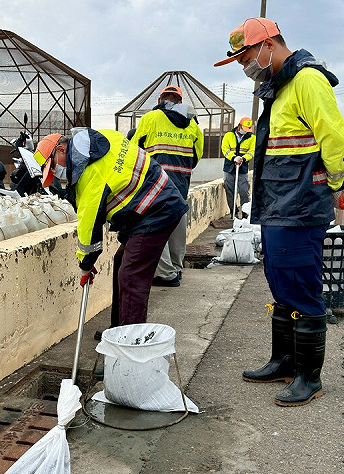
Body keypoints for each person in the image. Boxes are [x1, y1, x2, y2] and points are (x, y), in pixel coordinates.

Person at [214, 17, 344, 407]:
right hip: (279, 202)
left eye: (245, 55)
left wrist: (340, 185)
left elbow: (333, 136)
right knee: (281, 283)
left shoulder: (307, 80)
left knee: (301, 286)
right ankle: (283, 360)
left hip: (300, 203)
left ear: (268, 44)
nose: (244, 65)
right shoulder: (278, 89)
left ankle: (308, 376)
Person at [35, 128, 188, 329]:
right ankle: (118, 330)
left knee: (131, 276)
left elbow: (89, 226)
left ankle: (129, 342)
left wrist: (85, 266)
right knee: (121, 262)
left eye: (53, 166)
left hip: (156, 211)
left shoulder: (89, 174)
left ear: (62, 150)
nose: (56, 172)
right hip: (151, 204)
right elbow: (122, 179)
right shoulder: (103, 137)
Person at [131, 85, 204, 287]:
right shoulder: (193, 126)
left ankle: (166, 274)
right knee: (177, 224)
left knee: (155, 225)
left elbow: (136, 150)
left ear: (159, 101)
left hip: (155, 182)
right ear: (180, 102)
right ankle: (177, 268)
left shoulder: (149, 119)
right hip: (181, 181)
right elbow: (197, 156)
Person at [221, 117, 255, 218]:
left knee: (244, 190)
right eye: (244, 128)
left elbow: (252, 151)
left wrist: (243, 159)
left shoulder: (252, 137)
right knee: (229, 191)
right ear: (239, 126)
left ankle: (245, 214)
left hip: (242, 168)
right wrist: (233, 158)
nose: (245, 131)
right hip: (229, 167)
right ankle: (234, 213)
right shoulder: (229, 135)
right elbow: (225, 149)